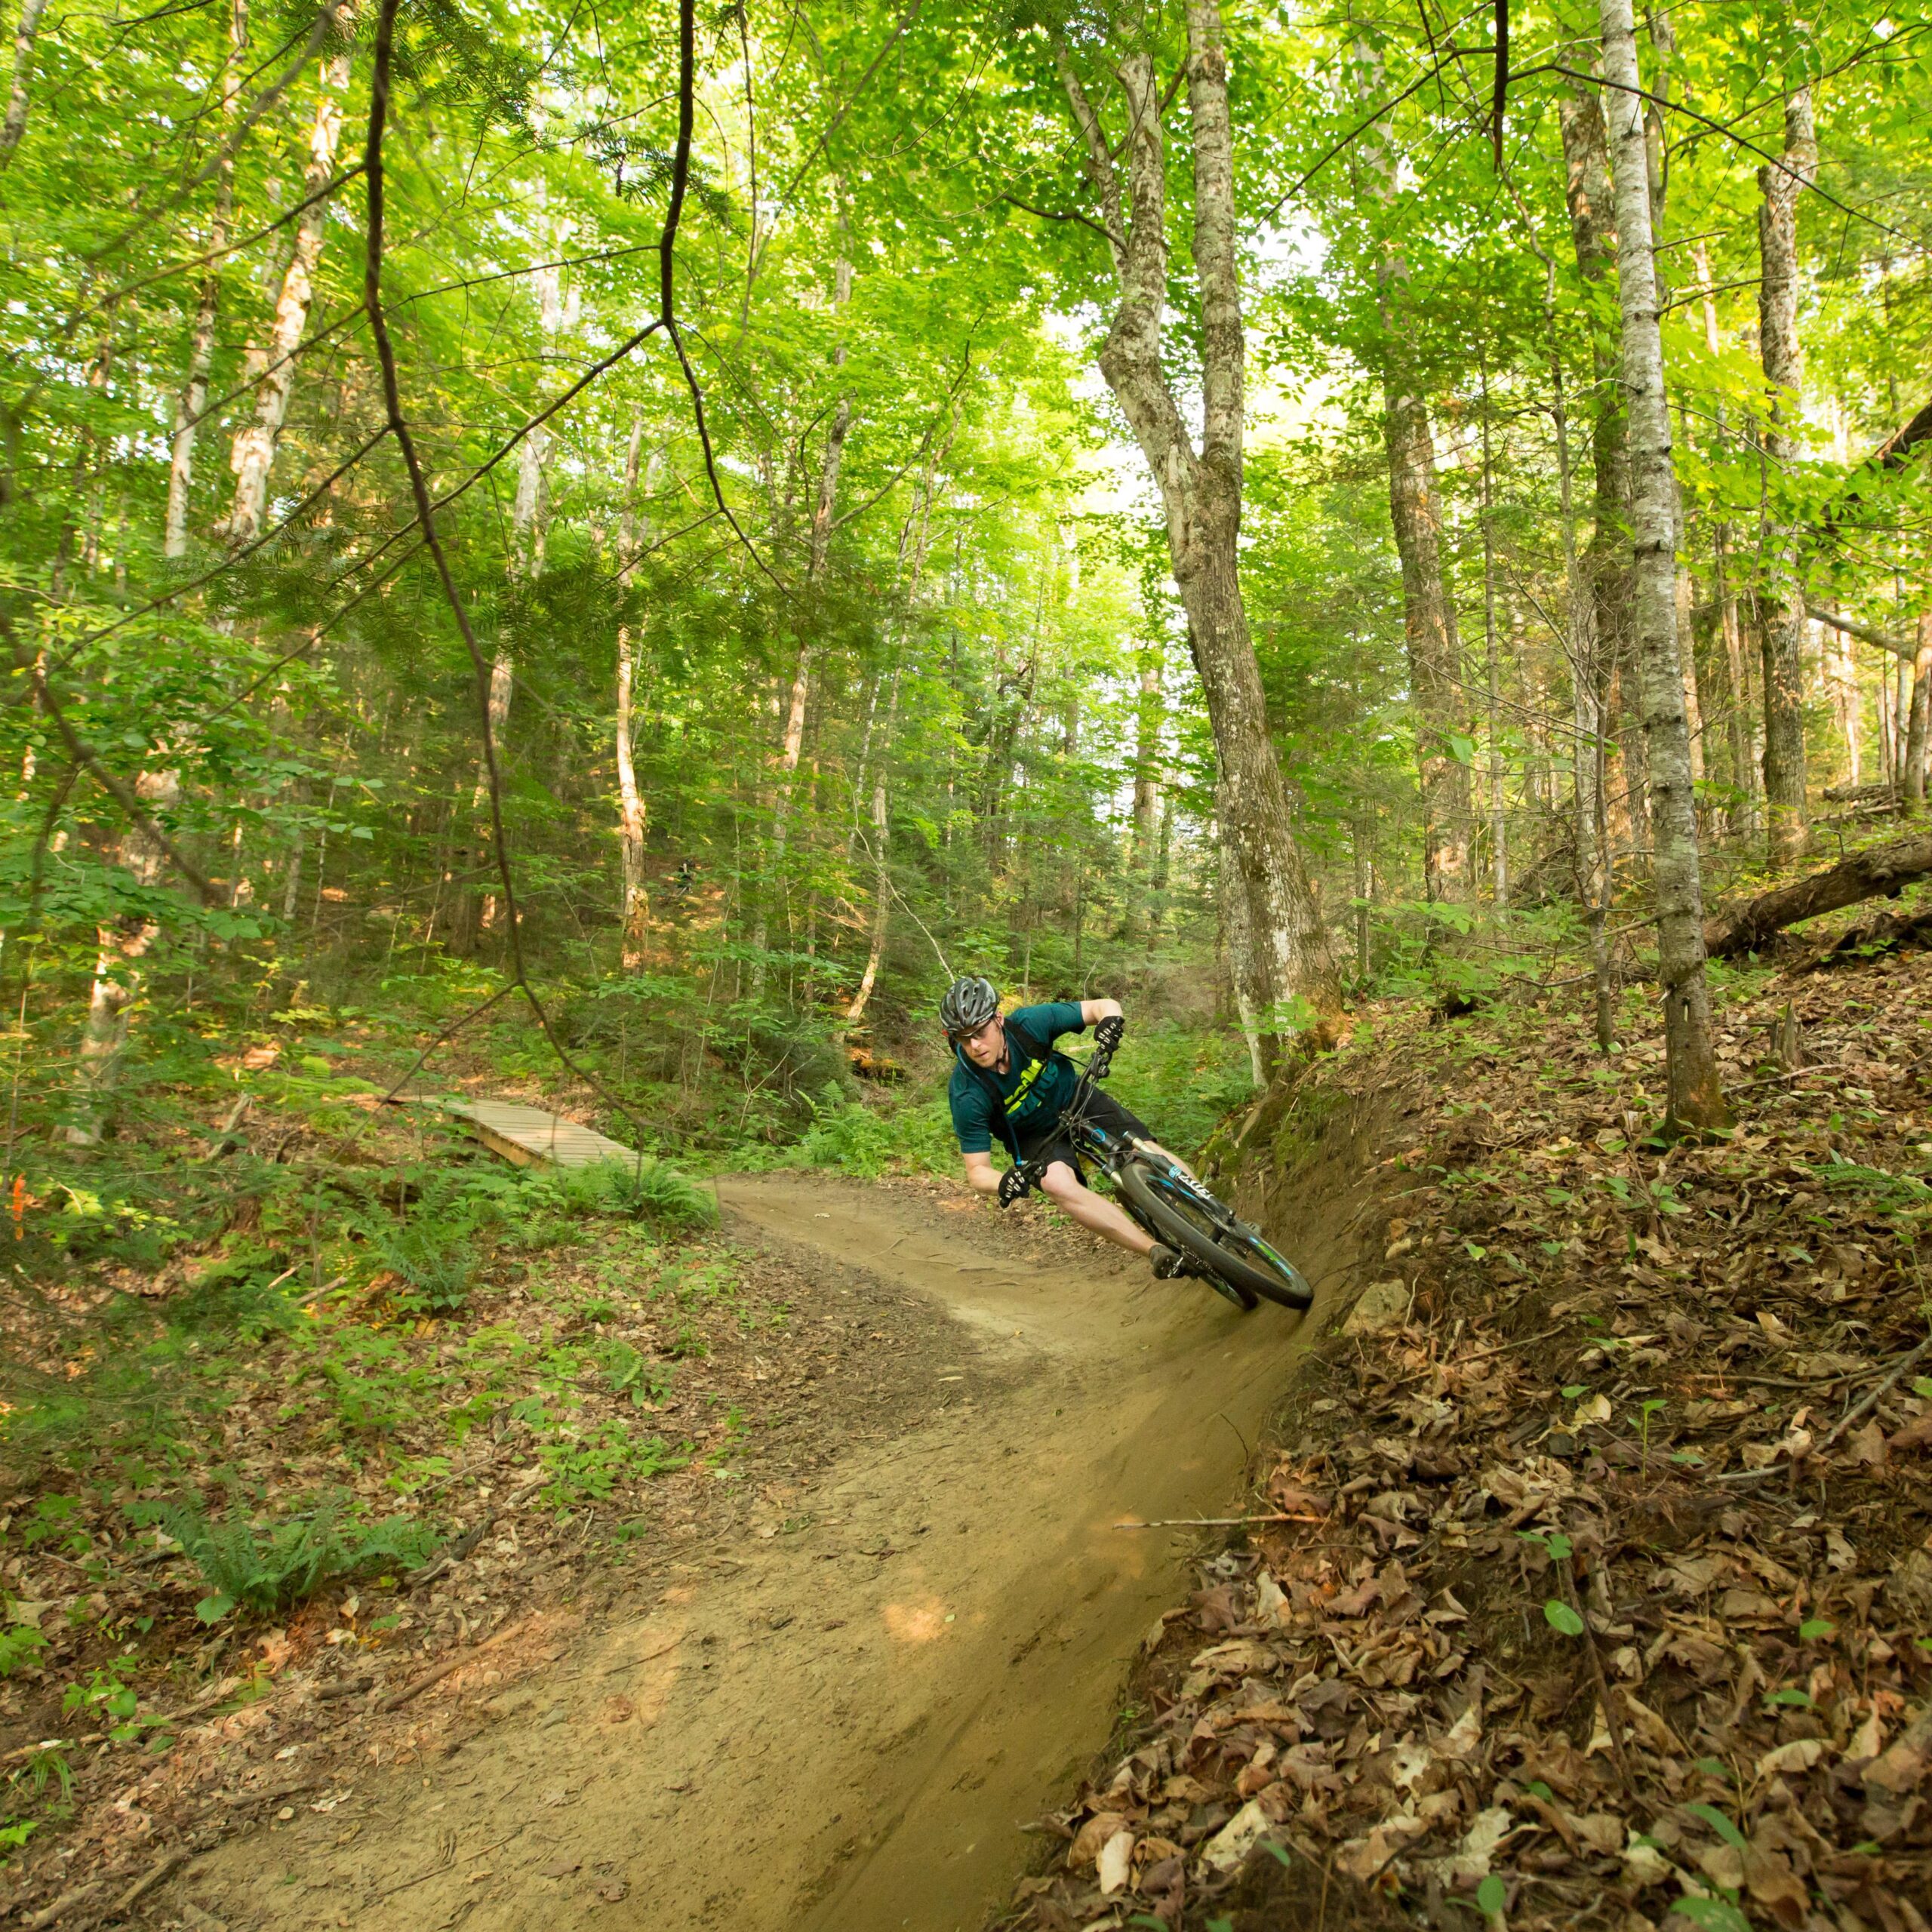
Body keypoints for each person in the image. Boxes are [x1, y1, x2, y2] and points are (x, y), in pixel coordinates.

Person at [940, 974, 1199, 1279]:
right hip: (1034, 1136)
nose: (974, 1045)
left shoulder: (1028, 1024)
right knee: (1056, 1185)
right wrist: (1002, 1181)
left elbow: (1103, 1006)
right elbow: (976, 1171)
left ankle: (1213, 1215)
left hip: (1076, 1097)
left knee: (1146, 1151)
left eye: (980, 1032)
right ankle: (1155, 1251)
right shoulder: (966, 1091)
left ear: (998, 1018)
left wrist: (1109, 1022)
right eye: (963, 1037)